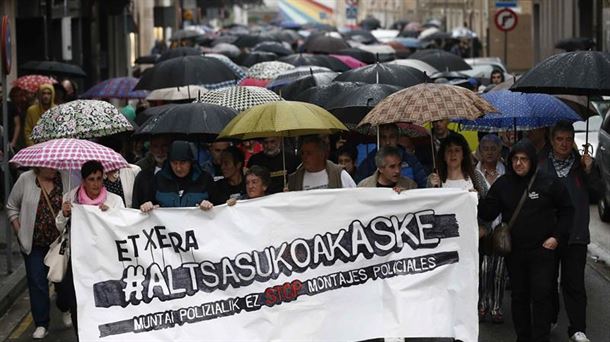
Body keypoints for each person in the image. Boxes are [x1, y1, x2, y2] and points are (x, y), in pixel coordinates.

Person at [478, 139, 574, 342]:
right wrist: (472, 198)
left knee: (541, 295)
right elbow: (487, 212)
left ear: (532, 161)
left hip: (543, 251)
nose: (518, 163)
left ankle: (541, 337)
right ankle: (523, 337)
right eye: (515, 159)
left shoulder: (548, 182)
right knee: (519, 297)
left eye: (523, 159)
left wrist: (556, 237)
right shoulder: (503, 184)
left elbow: (567, 210)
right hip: (516, 252)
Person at [539, 121, 601, 342]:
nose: (564, 144)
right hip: (548, 234)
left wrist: (589, 170)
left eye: (568, 139)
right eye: (559, 139)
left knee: (573, 283)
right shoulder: (541, 164)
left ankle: (577, 328)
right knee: (547, 282)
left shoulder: (582, 165)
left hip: (575, 234)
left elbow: (597, 193)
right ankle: (549, 318)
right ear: (551, 140)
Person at [56, 160, 125, 336]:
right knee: (75, 302)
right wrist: (64, 214)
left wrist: (110, 215)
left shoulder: (114, 200)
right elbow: (58, 226)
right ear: (83, 180)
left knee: (105, 302)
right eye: (91, 179)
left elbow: (123, 227)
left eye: (99, 178)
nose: (96, 183)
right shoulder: (70, 198)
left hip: (106, 261)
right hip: (78, 260)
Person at [7, 167, 72, 339]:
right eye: (48, 166)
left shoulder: (64, 178)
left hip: (59, 244)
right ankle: (41, 323)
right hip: (34, 244)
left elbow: (75, 205)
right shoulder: (25, 180)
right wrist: (19, 232)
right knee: (37, 282)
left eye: (54, 165)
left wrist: (68, 209)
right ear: (39, 165)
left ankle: (64, 307)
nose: (53, 169)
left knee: (64, 283)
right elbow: (11, 206)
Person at [475, 134, 508, 324]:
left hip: (502, 228)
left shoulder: (506, 172)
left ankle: (496, 307)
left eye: (493, 148)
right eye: (485, 148)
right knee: (483, 270)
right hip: (482, 229)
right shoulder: (474, 173)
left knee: (499, 272)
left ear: (499, 150)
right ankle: (482, 305)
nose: (489, 152)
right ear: (479, 150)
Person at [139, 140, 220, 211]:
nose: (178, 168)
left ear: (190, 162)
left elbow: (220, 209)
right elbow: (147, 204)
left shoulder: (205, 179)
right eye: (174, 163)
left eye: (183, 163)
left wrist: (210, 205)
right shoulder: (158, 179)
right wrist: (147, 206)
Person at [358, 123, 428, 188]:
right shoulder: (369, 161)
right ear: (378, 139)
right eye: (383, 137)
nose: (387, 142)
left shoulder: (410, 159)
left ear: (397, 138)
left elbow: (423, 185)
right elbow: (359, 185)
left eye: (391, 137)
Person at [288, 135, 357, 191]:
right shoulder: (295, 180)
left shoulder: (339, 175)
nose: (304, 157)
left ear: (321, 154)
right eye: (302, 153)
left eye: (309, 153)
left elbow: (354, 198)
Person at [132, 135, 171, 208]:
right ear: (150, 149)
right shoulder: (142, 175)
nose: (160, 151)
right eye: (156, 146)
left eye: (164, 146)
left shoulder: (180, 174)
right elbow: (136, 205)